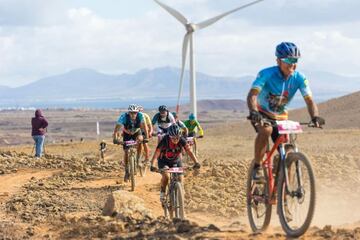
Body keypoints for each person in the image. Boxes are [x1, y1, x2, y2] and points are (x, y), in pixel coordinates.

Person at [247, 42, 325, 180]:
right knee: (266, 131)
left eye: (295, 60)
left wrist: (315, 116)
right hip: (262, 113)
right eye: (288, 60)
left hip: (281, 117)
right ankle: (257, 167)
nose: (292, 64)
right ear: (278, 61)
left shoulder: (300, 78)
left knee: (288, 153)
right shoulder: (266, 74)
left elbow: (309, 100)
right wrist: (254, 112)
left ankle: (283, 193)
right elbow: (252, 94)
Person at [150, 124, 201, 202]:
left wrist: (196, 162)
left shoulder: (182, 140)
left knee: (180, 178)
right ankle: (163, 192)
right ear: (170, 137)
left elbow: (189, 151)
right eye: (173, 138)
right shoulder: (165, 140)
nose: (176, 140)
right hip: (164, 161)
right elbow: (157, 152)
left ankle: (180, 195)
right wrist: (153, 165)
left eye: (177, 138)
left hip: (176, 160)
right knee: (166, 176)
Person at [113, 104, 149, 181]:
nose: (133, 114)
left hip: (137, 132)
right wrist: (115, 138)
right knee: (126, 151)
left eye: (135, 113)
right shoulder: (124, 117)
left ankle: (138, 160)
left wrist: (146, 136)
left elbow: (145, 127)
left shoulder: (140, 116)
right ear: (129, 113)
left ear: (137, 112)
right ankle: (126, 171)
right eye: (131, 113)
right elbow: (117, 128)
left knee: (140, 140)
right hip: (127, 133)